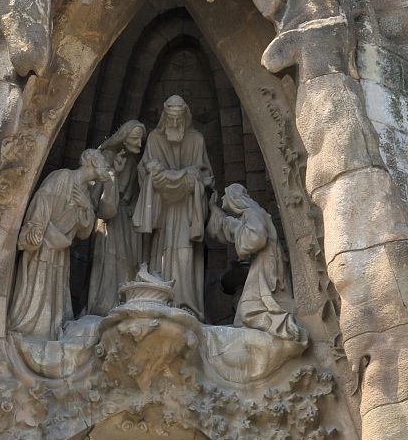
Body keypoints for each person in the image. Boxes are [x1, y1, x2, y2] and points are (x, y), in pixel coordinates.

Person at [9, 148, 112, 339]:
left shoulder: (85, 194)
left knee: (52, 291)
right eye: (103, 163)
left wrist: (86, 206)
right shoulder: (63, 177)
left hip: (60, 249)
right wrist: (38, 228)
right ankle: (25, 327)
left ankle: (46, 331)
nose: (107, 168)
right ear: (92, 162)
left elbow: (84, 232)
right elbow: (43, 198)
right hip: (43, 242)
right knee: (35, 285)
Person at [133, 96, 213, 318]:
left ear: (186, 117)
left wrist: (182, 178)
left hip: (187, 209)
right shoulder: (154, 140)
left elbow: (205, 176)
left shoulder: (196, 140)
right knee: (161, 253)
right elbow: (144, 173)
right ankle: (162, 298)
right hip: (163, 211)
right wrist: (157, 174)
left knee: (185, 254)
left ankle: (186, 303)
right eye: (171, 119)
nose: (175, 125)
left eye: (179, 120)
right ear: (164, 117)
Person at [208, 182, 302, 342]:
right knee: (248, 308)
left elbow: (256, 239)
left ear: (233, 198)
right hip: (264, 262)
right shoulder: (252, 213)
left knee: (249, 308)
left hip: (266, 264)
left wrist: (238, 231)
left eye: (226, 195)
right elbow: (243, 230)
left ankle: (283, 328)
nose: (223, 198)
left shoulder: (252, 212)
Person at [87, 120, 145, 315]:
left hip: (126, 220)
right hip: (109, 220)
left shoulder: (133, 162)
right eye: (136, 137)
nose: (139, 142)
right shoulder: (107, 156)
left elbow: (136, 195)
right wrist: (114, 173)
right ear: (124, 137)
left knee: (126, 262)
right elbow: (97, 193)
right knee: (108, 259)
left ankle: (122, 302)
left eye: (141, 139)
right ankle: (105, 304)